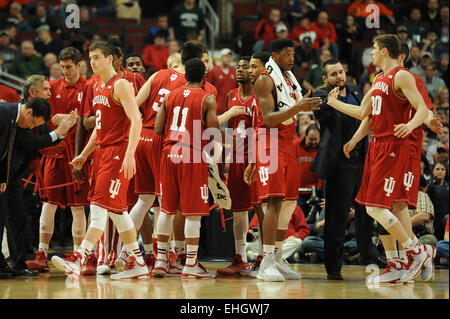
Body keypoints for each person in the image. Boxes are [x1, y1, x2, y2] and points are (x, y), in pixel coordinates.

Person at [325, 34, 435, 284]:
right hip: (376, 145)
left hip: (393, 147)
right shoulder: (378, 79)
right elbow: (366, 113)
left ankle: (417, 251)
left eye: (374, 49)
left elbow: (423, 109)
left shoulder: (402, 75)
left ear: (385, 51)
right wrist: (338, 112)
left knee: (376, 207)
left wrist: (409, 125)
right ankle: (400, 263)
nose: (371, 53)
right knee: (382, 205)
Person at [51, 40, 147, 280]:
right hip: (102, 153)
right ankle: (138, 263)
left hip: (117, 152)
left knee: (98, 208)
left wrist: (129, 155)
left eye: (96, 57)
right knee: (117, 212)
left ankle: (78, 258)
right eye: (90, 57)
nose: (92, 62)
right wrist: (84, 154)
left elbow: (137, 120)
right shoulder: (96, 85)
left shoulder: (122, 84)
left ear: (110, 59)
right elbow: (99, 126)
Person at [115, 41, 207, 278]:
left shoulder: (157, 75)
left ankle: (126, 253)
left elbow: (134, 105)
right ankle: (167, 257)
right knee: (168, 205)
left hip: (142, 136)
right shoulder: (196, 86)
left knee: (144, 200)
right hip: (164, 141)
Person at [252, 38, 321, 281]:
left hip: (287, 140)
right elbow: (269, 118)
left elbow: (293, 109)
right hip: (269, 140)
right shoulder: (264, 79)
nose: (292, 58)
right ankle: (266, 261)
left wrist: (309, 105)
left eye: (293, 54)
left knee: (290, 202)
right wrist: (299, 107)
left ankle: (278, 256)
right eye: (287, 54)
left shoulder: (290, 80)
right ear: (275, 54)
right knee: (273, 201)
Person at [311, 58, 381, 280]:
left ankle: (369, 256)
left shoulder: (354, 90)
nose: (339, 76)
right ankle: (334, 268)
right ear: (325, 79)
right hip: (339, 165)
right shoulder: (322, 96)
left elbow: (366, 115)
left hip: (362, 162)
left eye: (341, 72)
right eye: (334, 74)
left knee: (366, 214)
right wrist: (331, 102)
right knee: (337, 219)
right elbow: (323, 113)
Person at [153, 58, 219, 279]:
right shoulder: (207, 97)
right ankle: (191, 263)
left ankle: (162, 261)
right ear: (203, 77)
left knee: (167, 210)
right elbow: (213, 134)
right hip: (191, 152)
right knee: (193, 211)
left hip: (168, 151)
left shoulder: (170, 95)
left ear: (185, 75)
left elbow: (158, 127)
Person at [26, 47, 90, 273]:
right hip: (53, 155)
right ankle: (42, 254)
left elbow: (91, 120)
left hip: (77, 156)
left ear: (79, 65)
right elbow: (37, 114)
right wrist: (57, 122)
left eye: (69, 67)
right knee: (48, 204)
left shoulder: (89, 87)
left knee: (78, 208)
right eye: (62, 67)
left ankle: (79, 255)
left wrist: (79, 120)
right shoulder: (51, 88)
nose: (65, 71)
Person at [0, 97, 66, 279]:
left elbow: (7, 152)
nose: (31, 128)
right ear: (29, 112)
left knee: (15, 219)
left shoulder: (16, 120)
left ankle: (12, 265)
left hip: (8, 177)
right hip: (5, 176)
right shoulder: (4, 112)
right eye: (33, 124)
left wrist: (3, 176)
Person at [215, 56, 255, 276]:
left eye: (246, 66)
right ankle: (242, 257)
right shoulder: (231, 95)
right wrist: (227, 160)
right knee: (238, 211)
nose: (240, 69)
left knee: (261, 207)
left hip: (257, 157)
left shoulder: (261, 95)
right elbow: (229, 132)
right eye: (238, 66)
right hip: (237, 156)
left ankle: (265, 257)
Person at [206, 48, 238, 115]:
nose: (228, 59)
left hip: (231, 108)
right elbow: (208, 88)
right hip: (218, 108)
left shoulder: (234, 71)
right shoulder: (214, 71)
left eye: (230, 57)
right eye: (226, 56)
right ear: (221, 57)